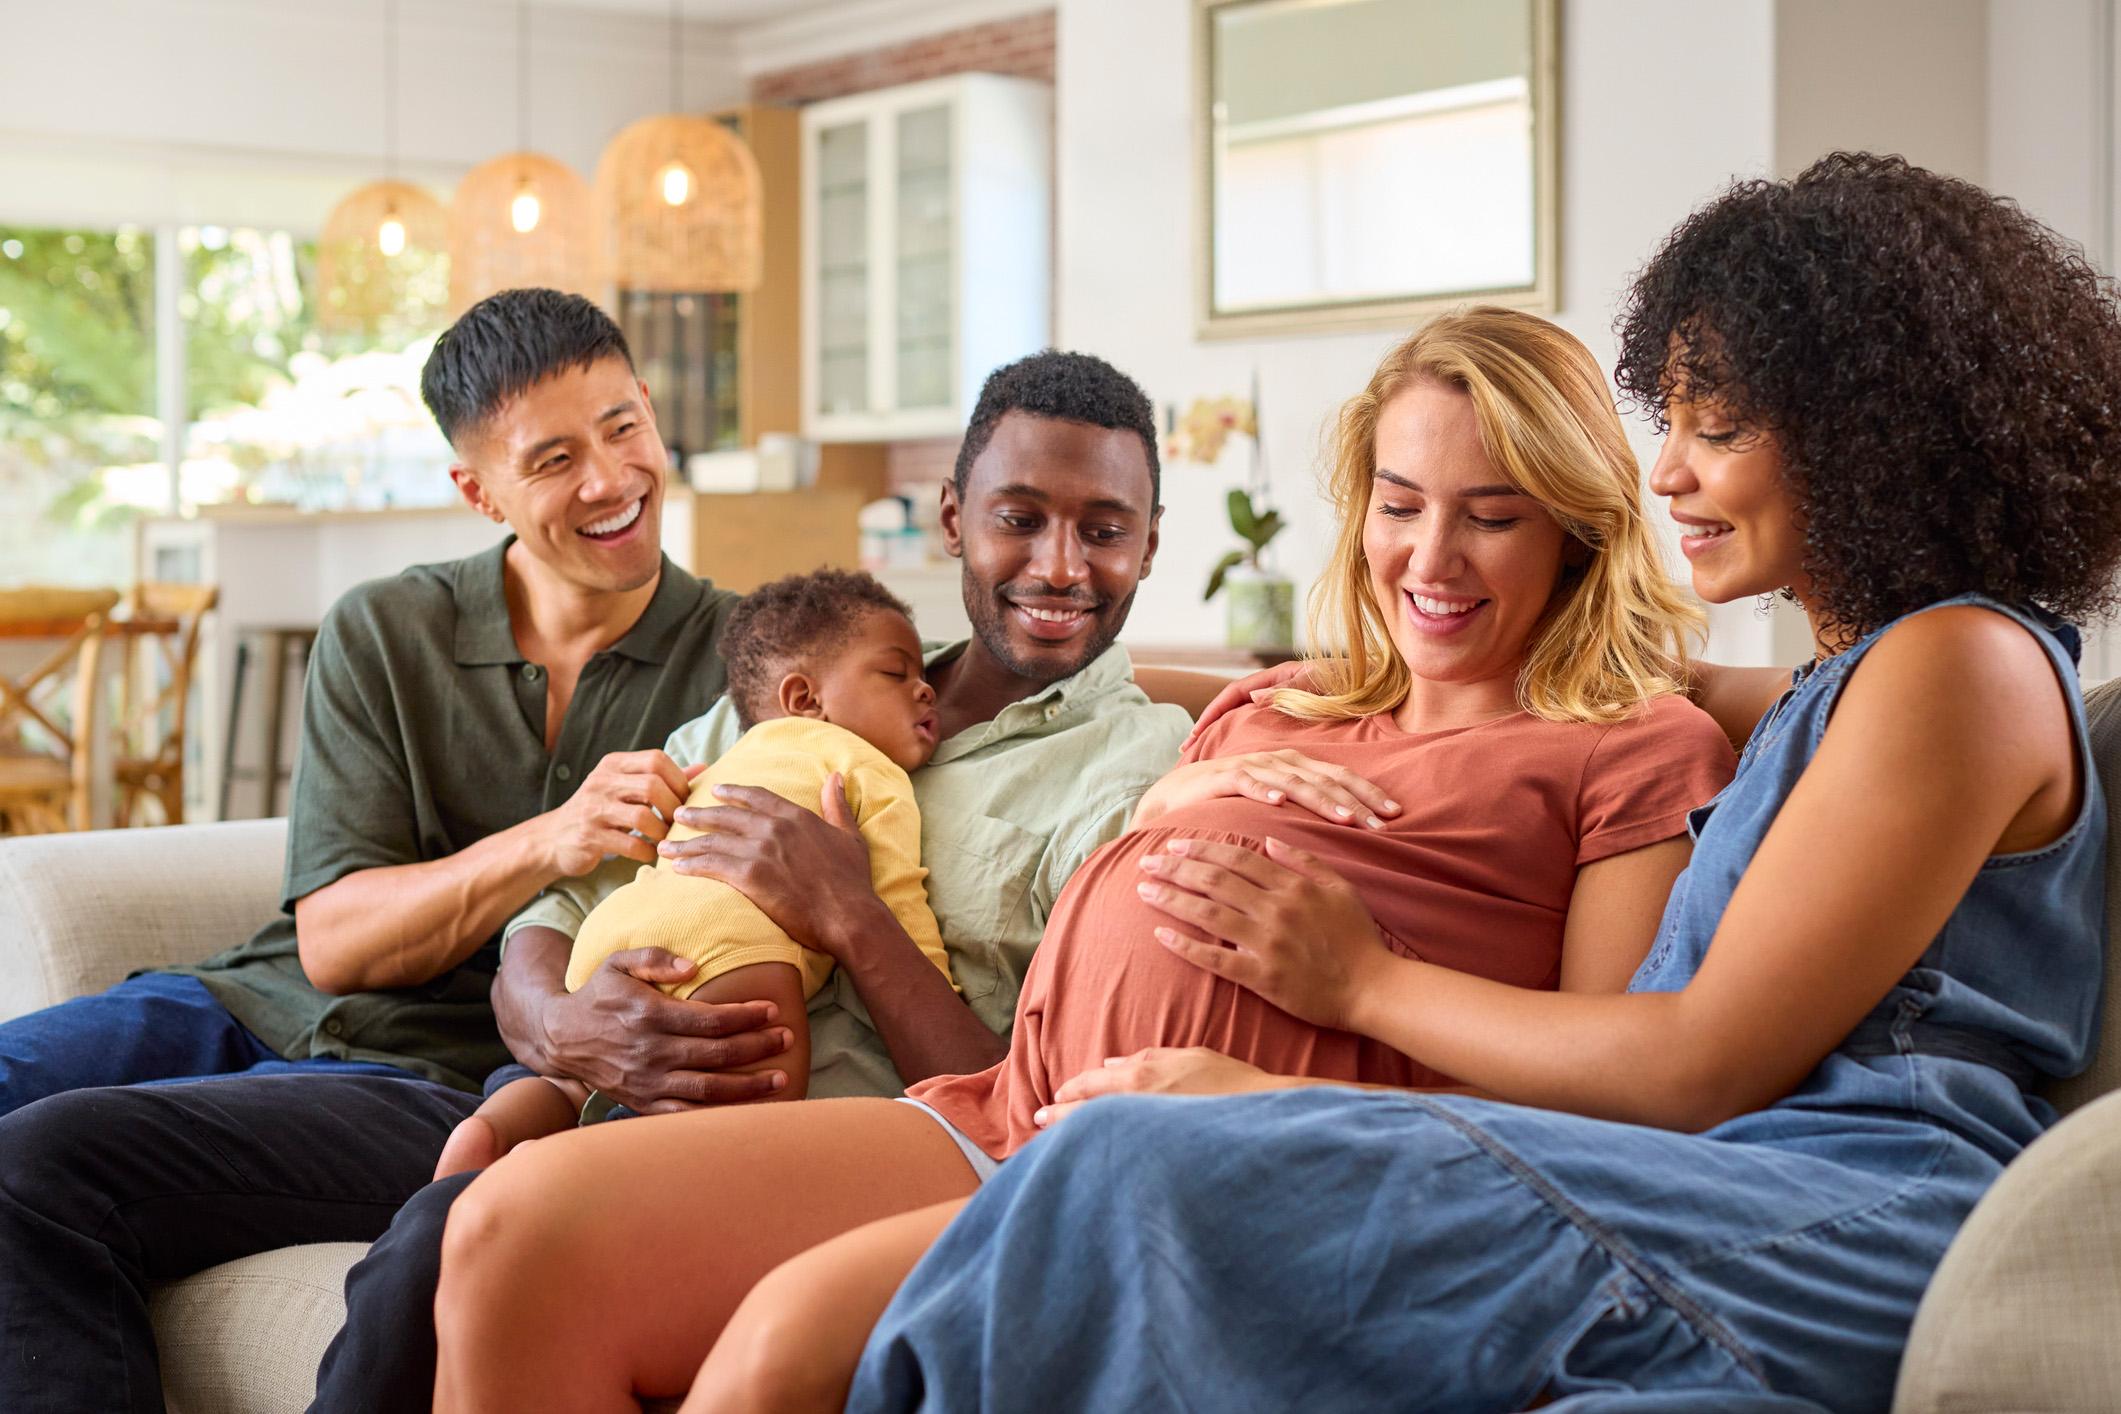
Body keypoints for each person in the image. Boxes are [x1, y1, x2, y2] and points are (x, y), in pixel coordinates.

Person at [830, 154, 2121, 1412]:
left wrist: (1355, 987)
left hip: (1850, 1211)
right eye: (1668, 421)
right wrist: (1117, 729)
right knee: (1132, 1192)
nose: (1666, 469)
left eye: (1715, 428)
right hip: (1716, 1184)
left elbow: (1697, 1064)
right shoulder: (1846, 684)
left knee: (1132, 1171)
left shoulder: (1963, 666)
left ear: (1871, 440)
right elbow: (1612, 676)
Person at [426, 306, 1738, 1411]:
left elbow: (1600, 1111)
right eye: (1400, 505)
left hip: (1224, 1167)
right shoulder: (1284, 700)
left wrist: (1298, 1064)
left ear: (1574, 525)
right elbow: (1105, 681)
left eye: (1492, 518)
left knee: (781, 1343)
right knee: (511, 1228)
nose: (1429, 558)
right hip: (1010, 1110)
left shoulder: (1630, 745)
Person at [306, 348, 1200, 1411]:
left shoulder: (1137, 767)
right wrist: (561, 1020)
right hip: (612, 1086)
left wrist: (848, 911)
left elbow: (1033, 1108)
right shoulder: (810, 680)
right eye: (1020, 518)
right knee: (430, 1247)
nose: (1060, 566)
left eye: (1104, 530)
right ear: (955, 519)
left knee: (497, 1233)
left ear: (1148, 545)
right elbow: (558, 905)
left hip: (863, 1151)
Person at [0, 287, 786, 1414]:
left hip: (433, 1074)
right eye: (555, 457)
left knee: (37, 1168)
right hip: (241, 1001)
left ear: (654, 414)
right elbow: (331, 939)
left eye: (623, 428)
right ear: (478, 490)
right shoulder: (387, 629)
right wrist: (553, 840)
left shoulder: (742, 664)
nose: (611, 479)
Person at [439, 569, 953, 1177]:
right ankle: (590, 1169)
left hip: (615, 939)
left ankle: (501, 1128)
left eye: (922, 677)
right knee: (756, 1111)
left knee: (577, 1086)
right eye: (896, 674)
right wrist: (936, 982)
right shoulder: (866, 769)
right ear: (804, 699)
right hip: (732, 947)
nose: (924, 691)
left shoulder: (718, 762)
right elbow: (896, 896)